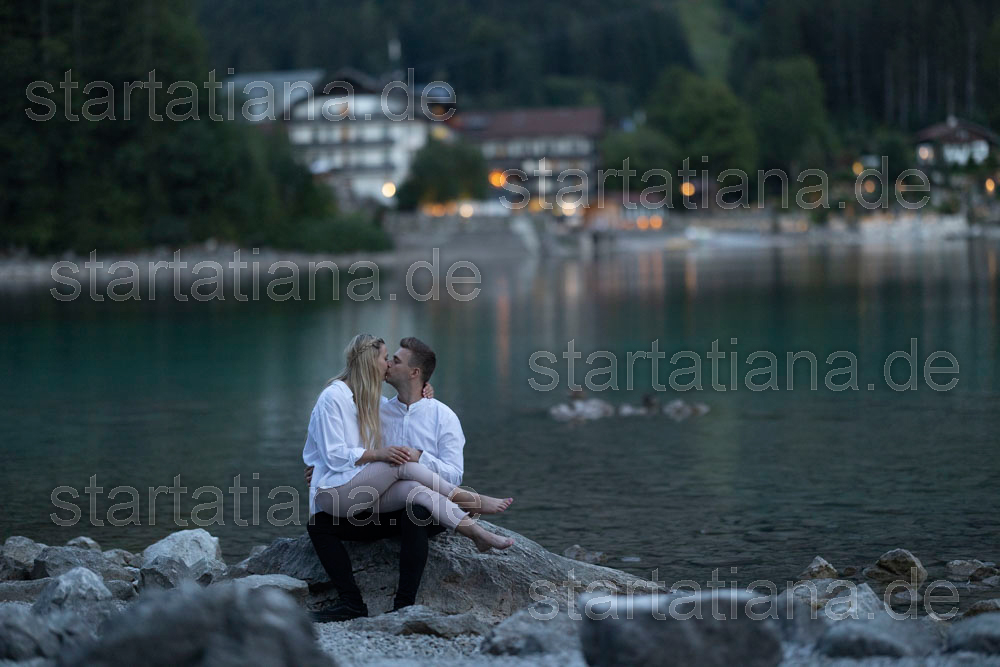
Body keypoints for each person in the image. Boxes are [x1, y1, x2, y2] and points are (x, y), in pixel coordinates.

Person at [303, 334, 514, 622]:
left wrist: (420, 456)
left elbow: (454, 473)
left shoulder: (442, 416)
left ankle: (405, 606)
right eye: (386, 358)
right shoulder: (372, 405)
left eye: (395, 360)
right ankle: (471, 505)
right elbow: (335, 450)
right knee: (399, 466)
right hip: (356, 498)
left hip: (416, 509)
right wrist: (320, 466)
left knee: (414, 494)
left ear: (415, 373)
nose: (389, 364)